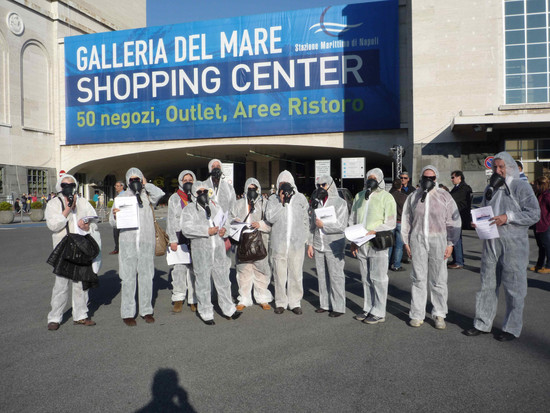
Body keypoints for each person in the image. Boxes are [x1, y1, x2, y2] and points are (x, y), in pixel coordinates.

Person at [465, 152, 540, 341]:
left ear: (510, 167)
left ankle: (512, 328)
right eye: (495, 167)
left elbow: (534, 214)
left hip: (514, 244)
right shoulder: (491, 187)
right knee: (487, 285)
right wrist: (478, 221)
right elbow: (483, 208)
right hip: (491, 243)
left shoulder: (520, 186)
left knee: (514, 287)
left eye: (501, 167)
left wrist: (509, 217)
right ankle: (482, 323)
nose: (498, 170)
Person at [401, 165, 461, 330]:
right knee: (418, 278)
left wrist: (451, 244)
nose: (429, 180)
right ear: (420, 178)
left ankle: (439, 313)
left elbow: (453, 221)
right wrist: (406, 242)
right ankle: (417, 314)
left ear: (437, 179)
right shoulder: (414, 197)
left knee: (438, 279)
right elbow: (406, 219)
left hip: (438, 240)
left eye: (432, 178)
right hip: (417, 240)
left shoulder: (445, 196)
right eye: (425, 177)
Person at [180, 181, 241, 325]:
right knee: (203, 283)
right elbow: (186, 229)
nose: (202, 194)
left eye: (204, 191)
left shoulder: (215, 205)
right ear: (194, 194)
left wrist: (223, 230)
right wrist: (206, 231)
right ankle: (206, 312)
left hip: (218, 250)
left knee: (223, 280)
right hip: (201, 251)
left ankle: (229, 309)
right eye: (199, 192)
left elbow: (225, 222)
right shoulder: (189, 210)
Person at [110, 168, 165, 327]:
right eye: (132, 179)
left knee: (147, 277)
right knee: (128, 278)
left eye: (138, 179)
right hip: (128, 243)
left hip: (146, 242)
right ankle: (127, 312)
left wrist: (146, 185)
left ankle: (146, 310)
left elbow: (160, 194)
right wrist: (114, 215)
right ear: (127, 181)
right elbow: (113, 222)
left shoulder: (147, 196)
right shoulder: (122, 197)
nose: (135, 182)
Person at [45, 174, 99, 330]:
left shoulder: (82, 202)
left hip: (82, 246)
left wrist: (88, 226)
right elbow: (53, 225)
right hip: (63, 247)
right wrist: (68, 208)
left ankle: (81, 315)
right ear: (59, 187)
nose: (68, 187)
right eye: (64, 185)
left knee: (81, 283)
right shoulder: (54, 203)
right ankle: (55, 317)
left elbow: (94, 220)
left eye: (71, 184)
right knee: (61, 284)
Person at [349, 168, 396, 324]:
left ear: (381, 180)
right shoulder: (359, 196)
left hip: (378, 242)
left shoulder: (386, 197)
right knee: (366, 277)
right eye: (369, 177)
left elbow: (390, 222)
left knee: (379, 278)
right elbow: (353, 219)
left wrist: (375, 230)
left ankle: (379, 311)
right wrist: (353, 241)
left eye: (374, 178)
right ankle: (368, 307)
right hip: (361, 243)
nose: (371, 180)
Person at [265, 170, 309, 315]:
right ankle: (280, 302)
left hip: (297, 243)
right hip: (279, 244)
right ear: (278, 185)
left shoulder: (300, 198)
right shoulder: (273, 199)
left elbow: (305, 220)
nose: (284, 187)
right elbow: (270, 217)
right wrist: (282, 202)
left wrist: (307, 240)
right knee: (279, 274)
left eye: (287, 184)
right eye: (281, 184)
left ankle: (295, 302)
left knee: (296, 273)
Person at [307, 174, 349, 317]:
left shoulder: (340, 203)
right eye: (318, 185)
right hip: (319, 244)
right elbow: (311, 226)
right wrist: (310, 244)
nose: (320, 188)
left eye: (323, 185)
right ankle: (325, 304)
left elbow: (342, 225)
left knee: (336, 276)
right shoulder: (317, 203)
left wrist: (324, 225)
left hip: (334, 244)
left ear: (330, 185)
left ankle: (338, 307)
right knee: (322, 276)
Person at [231, 178, 273, 311]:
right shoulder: (237, 204)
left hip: (260, 241)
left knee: (261, 271)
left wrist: (260, 224)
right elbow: (229, 219)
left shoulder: (265, 203)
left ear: (259, 189)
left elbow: (271, 222)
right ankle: (244, 298)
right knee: (243, 271)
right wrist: (236, 222)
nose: (252, 191)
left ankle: (263, 298)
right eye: (249, 189)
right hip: (243, 241)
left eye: (254, 189)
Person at [166, 170, 197, 313]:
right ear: (180, 181)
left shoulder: (197, 196)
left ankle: (194, 299)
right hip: (179, 236)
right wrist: (172, 239)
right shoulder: (174, 198)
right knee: (179, 269)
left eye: (191, 179)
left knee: (194, 268)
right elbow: (170, 220)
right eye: (185, 180)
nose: (188, 182)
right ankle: (178, 297)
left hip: (195, 235)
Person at [448, 170, 472, 269]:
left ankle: (458, 261)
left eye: (453, 177)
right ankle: (456, 259)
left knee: (456, 239)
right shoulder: (457, 188)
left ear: (459, 177)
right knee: (455, 238)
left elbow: (452, 198)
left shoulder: (464, 188)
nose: (452, 179)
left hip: (460, 217)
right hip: (455, 217)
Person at [529, 176, 550, 274]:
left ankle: (549, 266)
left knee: (547, 246)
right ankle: (539, 264)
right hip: (538, 224)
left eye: (536, 184)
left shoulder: (547, 195)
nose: (535, 186)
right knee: (540, 246)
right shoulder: (538, 194)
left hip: (546, 224)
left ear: (541, 185)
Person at [388, 178, 407, 272]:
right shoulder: (404, 197)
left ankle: (386, 263)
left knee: (389, 245)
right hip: (400, 222)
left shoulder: (388, 196)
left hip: (390, 222)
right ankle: (396, 265)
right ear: (401, 186)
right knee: (399, 246)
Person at [109, 181, 125, 255]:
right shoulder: (118, 196)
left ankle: (118, 248)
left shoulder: (124, 195)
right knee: (116, 234)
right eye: (115, 186)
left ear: (122, 187)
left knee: (119, 234)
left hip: (121, 218)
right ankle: (117, 248)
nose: (116, 187)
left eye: (118, 186)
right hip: (116, 218)